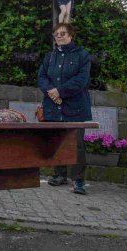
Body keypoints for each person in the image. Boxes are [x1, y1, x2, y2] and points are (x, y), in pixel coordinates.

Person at [38, 22, 92, 195]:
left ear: (71, 35)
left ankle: (78, 180)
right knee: (57, 141)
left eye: (62, 33)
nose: (59, 36)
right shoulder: (49, 56)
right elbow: (42, 77)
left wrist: (59, 91)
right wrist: (52, 92)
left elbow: (81, 80)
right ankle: (59, 175)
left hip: (75, 107)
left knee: (77, 145)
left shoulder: (82, 55)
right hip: (53, 106)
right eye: (56, 34)